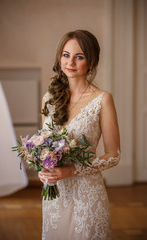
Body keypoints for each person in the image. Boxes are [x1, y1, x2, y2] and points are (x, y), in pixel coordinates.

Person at [38, 30, 121, 240]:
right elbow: (43, 145)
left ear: (91, 62)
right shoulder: (49, 98)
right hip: (55, 195)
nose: (71, 62)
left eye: (79, 57)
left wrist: (72, 171)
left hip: (87, 195)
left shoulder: (102, 100)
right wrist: (43, 170)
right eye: (66, 55)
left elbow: (114, 154)